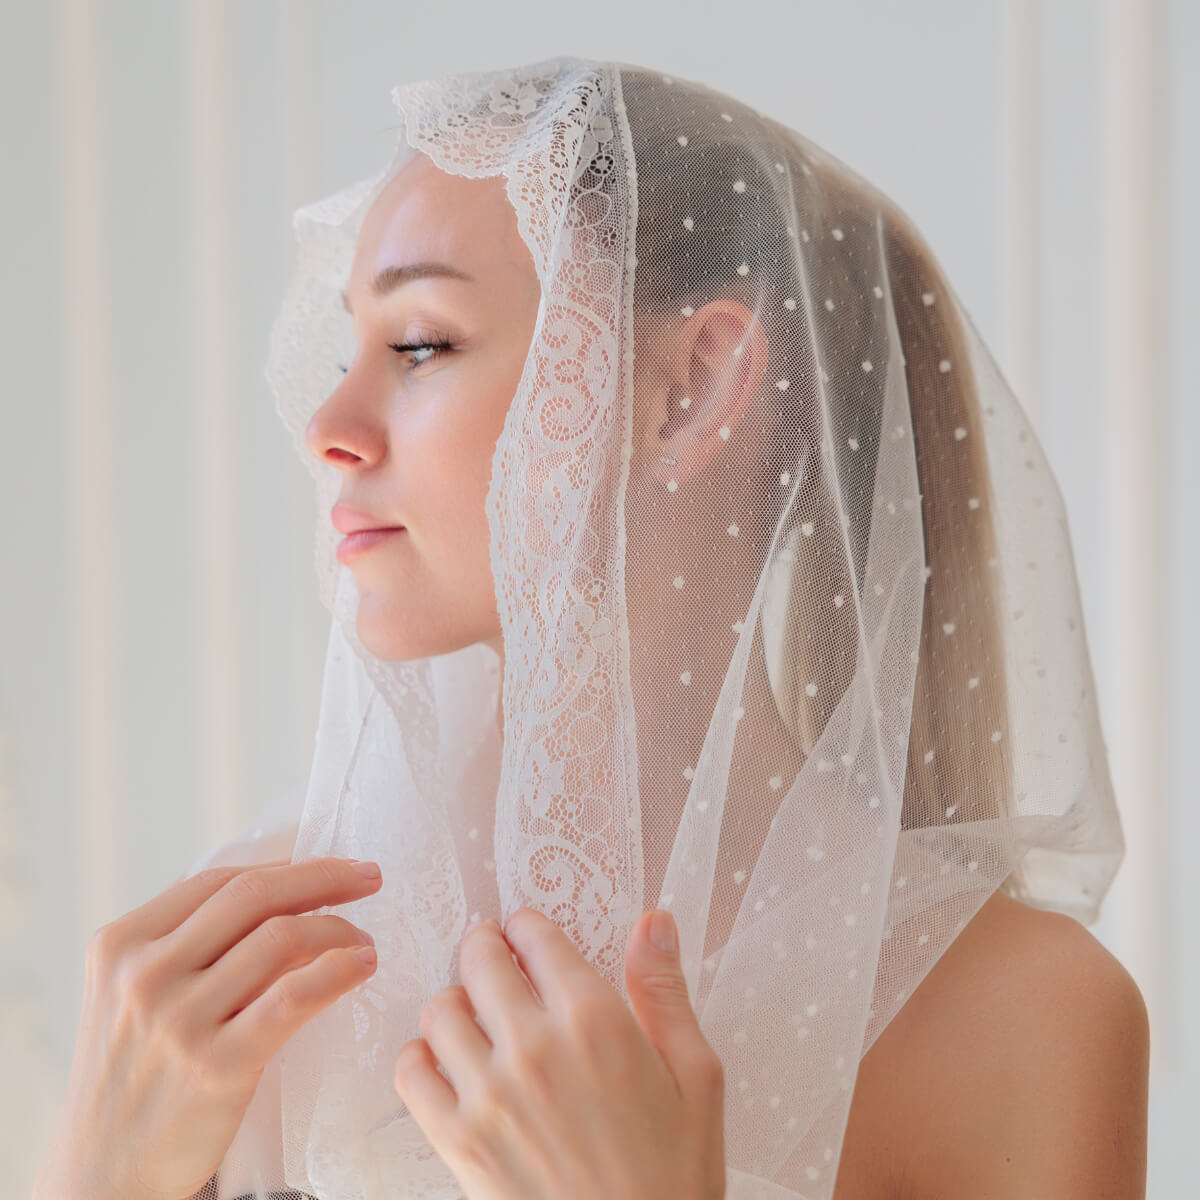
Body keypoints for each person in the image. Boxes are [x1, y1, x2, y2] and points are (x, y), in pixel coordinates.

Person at [33, 57, 1149, 1200]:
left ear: (695, 385)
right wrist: (97, 1175)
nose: (327, 425)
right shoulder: (247, 961)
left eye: (421, 344)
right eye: (344, 350)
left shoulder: (1028, 1019)